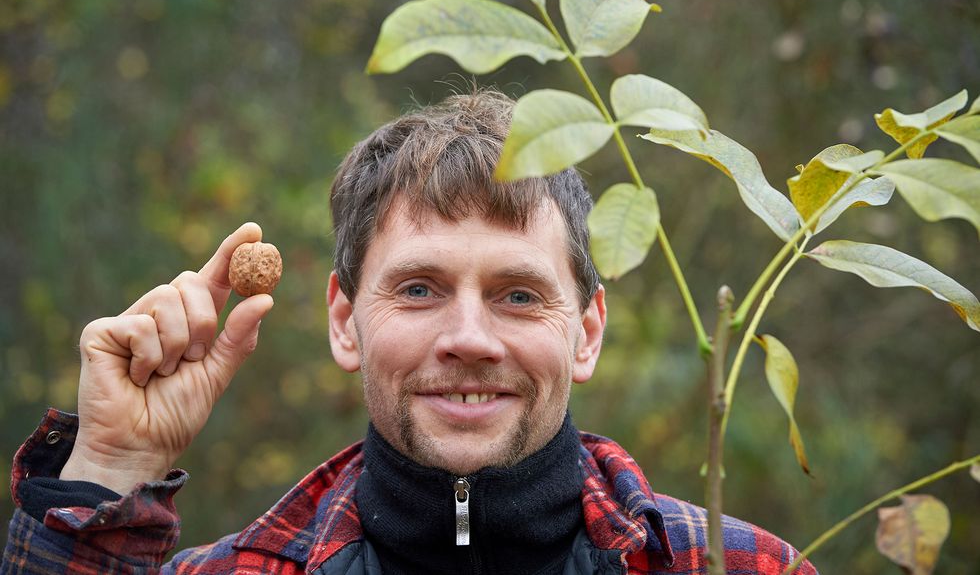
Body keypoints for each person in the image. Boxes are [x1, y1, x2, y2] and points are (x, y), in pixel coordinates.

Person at [2, 90, 818, 574]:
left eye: (520, 295)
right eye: (420, 288)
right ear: (344, 321)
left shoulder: (742, 567)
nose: (470, 337)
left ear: (588, 331)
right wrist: (109, 469)